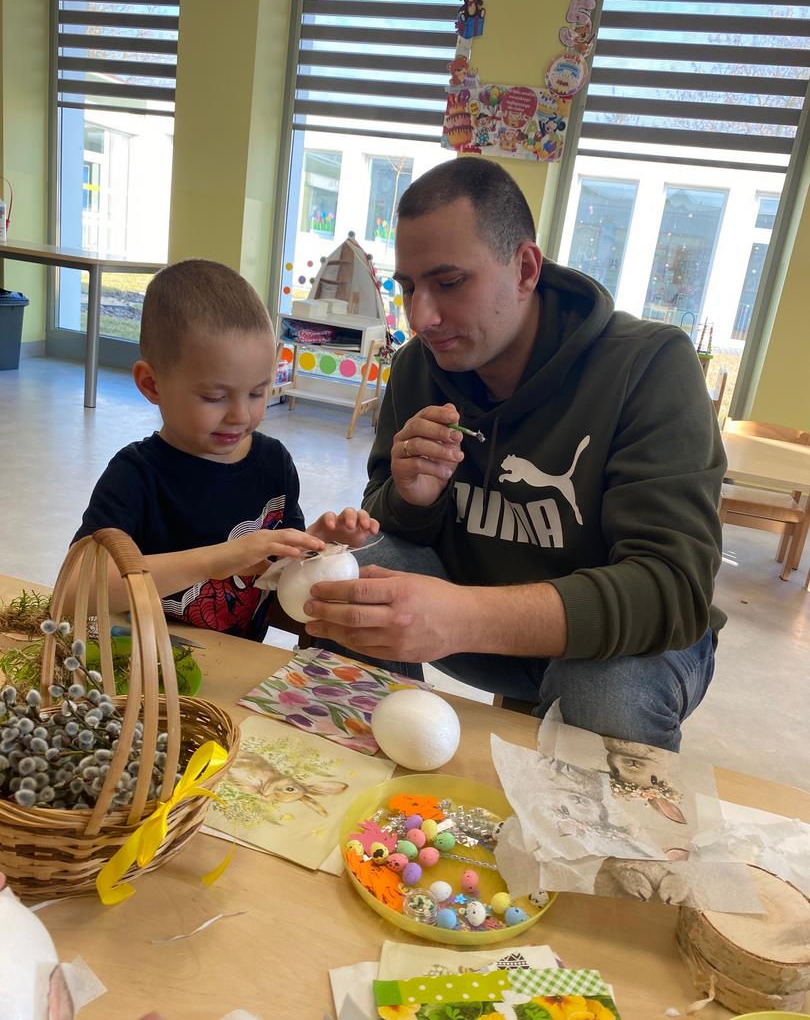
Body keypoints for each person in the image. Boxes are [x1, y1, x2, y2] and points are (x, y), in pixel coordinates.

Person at [300, 157, 727, 751]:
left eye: (450, 283)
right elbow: (383, 524)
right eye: (409, 287)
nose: (421, 317)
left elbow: (672, 590)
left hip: (625, 640)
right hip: (471, 613)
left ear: (525, 269)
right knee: (347, 581)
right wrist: (410, 500)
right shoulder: (419, 368)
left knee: (599, 693)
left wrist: (463, 615)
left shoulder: (649, 366)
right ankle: (363, 788)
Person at [71, 259, 377, 638]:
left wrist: (318, 549)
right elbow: (75, 591)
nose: (240, 415)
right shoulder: (134, 476)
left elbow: (276, 576)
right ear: (151, 384)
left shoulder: (274, 464)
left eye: (257, 392)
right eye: (215, 397)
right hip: (146, 662)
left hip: (234, 664)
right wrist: (216, 560)